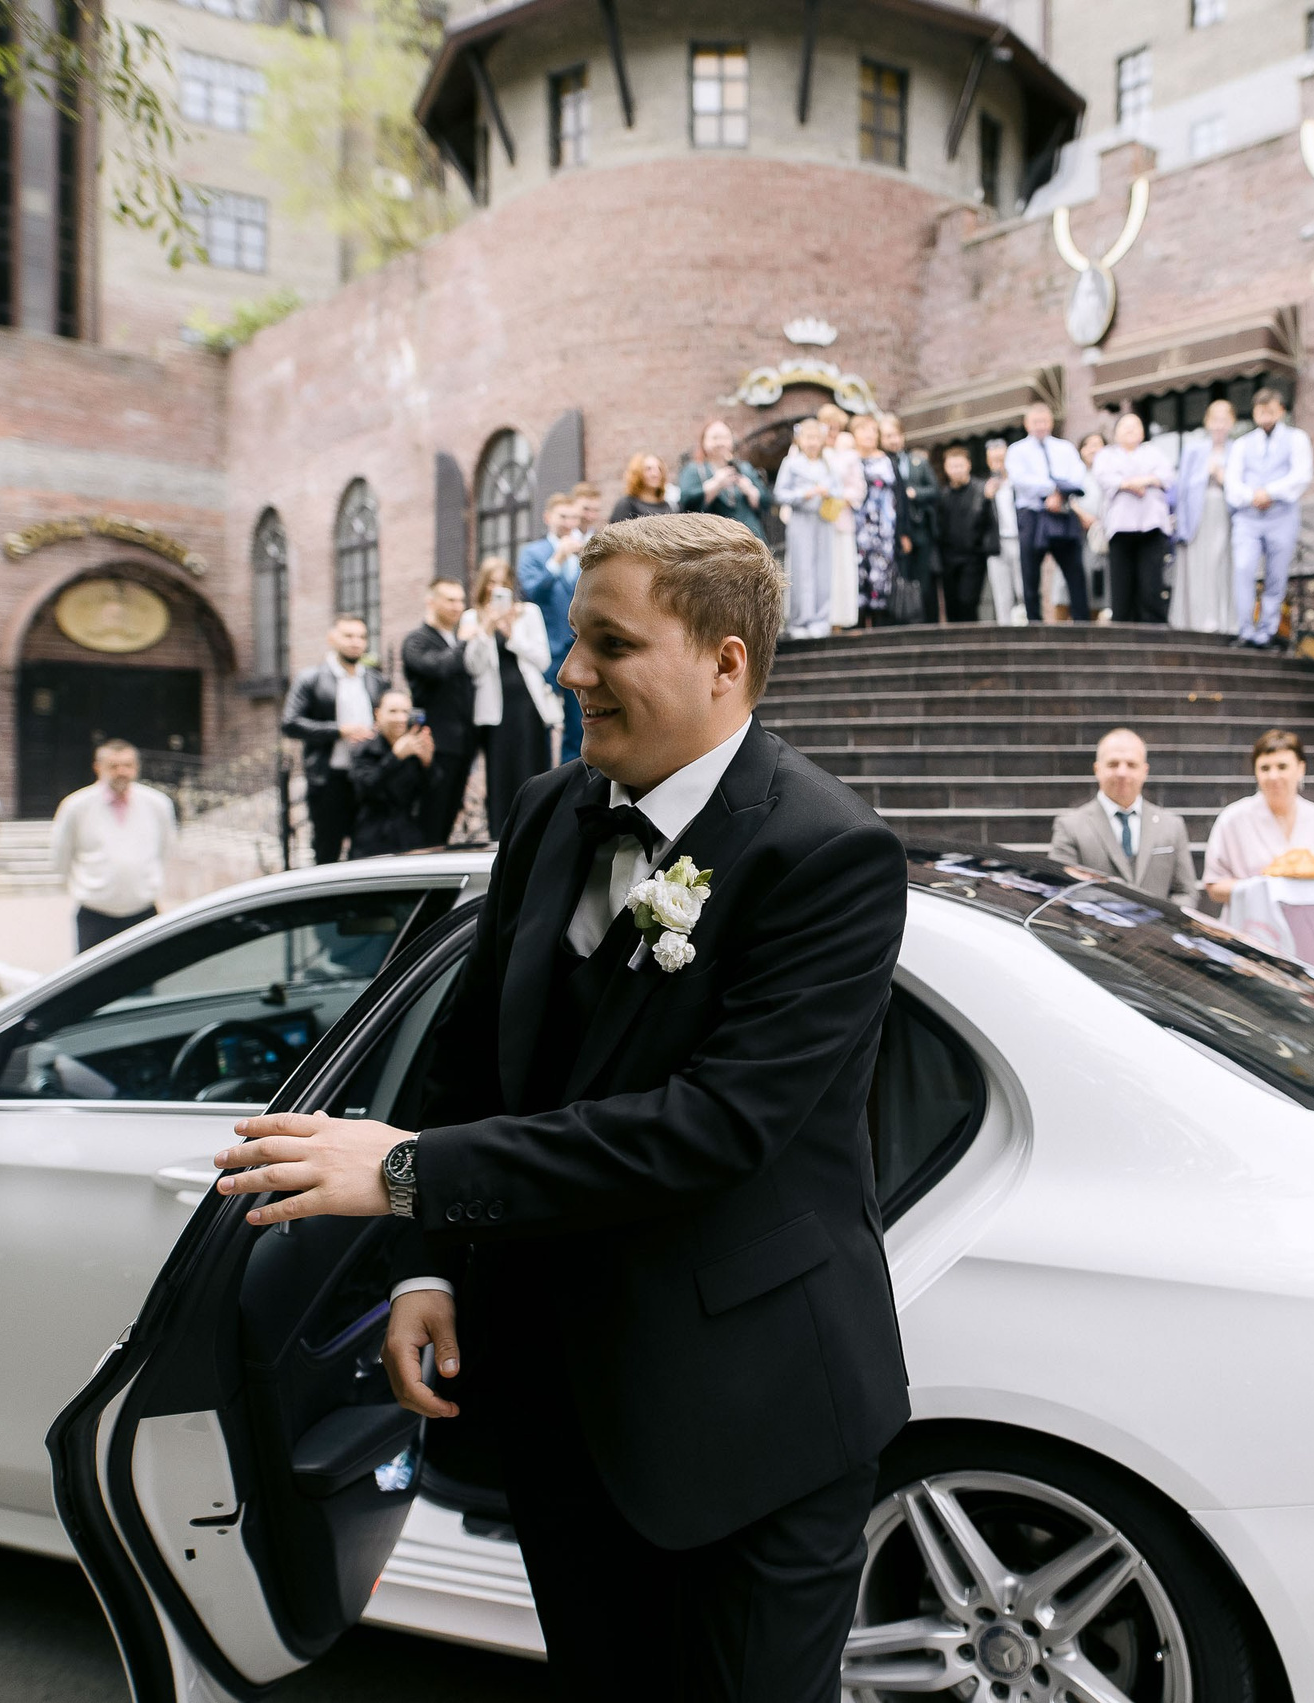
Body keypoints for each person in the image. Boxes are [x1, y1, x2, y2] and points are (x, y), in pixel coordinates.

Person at [208, 512, 912, 1701]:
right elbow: (470, 1061)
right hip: (558, 1406)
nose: (571, 671)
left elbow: (715, 1127)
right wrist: (425, 1267)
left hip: (752, 1418)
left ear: (724, 661)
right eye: (572, 638)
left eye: (610, 644)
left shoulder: (827, 853)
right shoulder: (547, 808)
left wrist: (405, 1172)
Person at [1202, 729, 1314, 986]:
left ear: (1300, 768)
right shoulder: (1233, 819)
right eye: (1265, 768)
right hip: (1253, 933)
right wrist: (1260, 888)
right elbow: (1214, 886)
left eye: (1282, 766)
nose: (1273, 776)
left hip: (1309, 937)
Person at [49, 739, 178, 953]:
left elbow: (166, 849)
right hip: (95, 914)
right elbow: (61, 855)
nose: (121, 772)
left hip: (143, 911)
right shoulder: (76, 806)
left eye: (127, 765)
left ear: (136, 767)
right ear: (98, 768)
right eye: (114, 766)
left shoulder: (157, 804)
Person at [465, 554, 560, 844]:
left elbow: (543, 660)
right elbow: (473, 667)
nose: (496, 588)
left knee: (531, 769)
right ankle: (500, 837)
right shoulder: (472, 617)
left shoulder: (528, 613)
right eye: (491, 582)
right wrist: (486, 629)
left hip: (527, 705)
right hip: (495, 709)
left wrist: (511, 634)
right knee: (500, 773)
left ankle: (535, 834)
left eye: (503, 582)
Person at [279, 614, 387, 866]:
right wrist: (339, 731)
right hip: (329, 779)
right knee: (327, 851)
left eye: (361, 637)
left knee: (368, 852)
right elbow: (290, 723)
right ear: (332, 638)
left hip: (368, 777)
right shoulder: (311, 678)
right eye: (348, 636)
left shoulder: (375, 680)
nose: (356, 642)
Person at [1047, 727, 1197, 907]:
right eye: (1113, 764)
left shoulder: (1172, 825)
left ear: (1145, 771)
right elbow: (1060, 891)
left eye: (1131, 765)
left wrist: (1161, 922)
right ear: (1097, 769)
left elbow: (1185, 893)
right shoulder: (1070, 826)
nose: (1122, 773)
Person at [1223, 388, 1313, 649]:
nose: (1265, 415)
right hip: (1248, 517)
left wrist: (1270, 492)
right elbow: (1232, 482)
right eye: (1261, 410)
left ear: (1281, 411)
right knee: (1243, 569)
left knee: (1276, 574)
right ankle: (1244, 629)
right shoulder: (1242, 444)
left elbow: (1301, 475)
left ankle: (1268, 631)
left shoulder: (1297, 439)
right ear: (1254, 412)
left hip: (1282, 516)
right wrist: (1252, 496)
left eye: (1271, 410)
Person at [399, 576, 481, 848]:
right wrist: (464, 642)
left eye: (460, 600)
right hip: (435, 747)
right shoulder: (416, 641)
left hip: (462, 745)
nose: (458, 606)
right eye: (450, 600)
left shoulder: (453, 640)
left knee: (447, 821)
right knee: (430, 822)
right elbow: (438, 668)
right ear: (431, 601)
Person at [1004, 400, 1091, 623]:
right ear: (1027, 424)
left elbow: (1077, 474)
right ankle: (1034, 623)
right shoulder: (1017, 450)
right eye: (1036, 422)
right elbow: (1019, 479)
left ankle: (1082, 622)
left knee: (1075, 570)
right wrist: (1051, 489)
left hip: (1062, 512)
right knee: (1030, 573)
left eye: (1044, 421)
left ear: (1051, 422)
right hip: (1032, 514)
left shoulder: (1065, 448)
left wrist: (1060, 494)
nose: (1040, 426)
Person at [519, 493, 588, 764]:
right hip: (544, 649)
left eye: (573, 517)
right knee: (540, 723)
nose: (569, 523)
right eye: (563, 516)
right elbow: (531, 591)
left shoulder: (584, 550)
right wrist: (557, 560)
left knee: (578, 724)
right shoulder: (533, 553)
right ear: (548, 518)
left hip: (577, 647)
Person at [1095, 413, 1174, 624]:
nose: (1130, 429)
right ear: (1116, 433)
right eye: (1125, 426)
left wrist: (1137, 481)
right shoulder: (1106, 455)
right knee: (1122, 583)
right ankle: (1123, 628)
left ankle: (1153, 630)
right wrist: (1133, 483)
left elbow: (1167, 476)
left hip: (1152, 525)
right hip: (1120, 526)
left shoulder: (1154, 452)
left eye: (1135, 425)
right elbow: (1104, 478)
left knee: (1151, 582)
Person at [1169, 397, 1239, 635]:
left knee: (1221, 564)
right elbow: (1181, 488)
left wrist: (1223, 477)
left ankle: (1223, 620)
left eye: (1224, 419)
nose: (1219, 425)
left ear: (1232, 422)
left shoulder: (1238, 449)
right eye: (1215, 419)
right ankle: (1196, 620)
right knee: (1197, 567)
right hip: (1196, 515)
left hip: (1224, 513)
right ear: (1207, 422)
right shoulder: (1193, 449)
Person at [344, 689, 434, 859]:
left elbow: (430, 795)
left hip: (409, 838)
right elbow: (366, 787)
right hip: (371, 839)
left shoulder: (415, 747)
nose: (400, 718)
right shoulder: (364, 748)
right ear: (378, 714)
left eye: (405, 712)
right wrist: (395, 756)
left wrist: (427, 763)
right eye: (393, 711)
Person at [774, 417, 842, 639]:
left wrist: (828, 492)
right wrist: (805, 494)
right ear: (800, 440)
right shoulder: (791, 463)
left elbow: (839, 491)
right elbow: (779, 493)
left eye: (816, 438)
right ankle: (800, 620)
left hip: (823, 520)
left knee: (824, 568)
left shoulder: (828, 463)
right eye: (808, 437)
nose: (812, 442)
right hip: (801, 520)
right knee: (801, 568)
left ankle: (821, 620)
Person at [930, 443, 998, 623]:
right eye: (952, 466)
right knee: (951, 606)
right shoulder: (943, 495)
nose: (957, 470)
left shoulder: (982, 490)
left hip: (973, 557)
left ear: (968, 465)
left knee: (968, 602)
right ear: (946, 468)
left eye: (960, 465)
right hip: (948, 559)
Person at [849, 412, 903, 624]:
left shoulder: (887, 461)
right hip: (856, 527)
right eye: (864, 430)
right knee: (857, 573)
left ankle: (881, 621)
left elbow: (899, 497)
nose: (869, 435)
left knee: (881, 574)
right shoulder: (848, 459)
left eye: (873, 430)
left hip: (884, 530)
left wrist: (903, 531)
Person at [886, 415, 940, 625]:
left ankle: (927, 622)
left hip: (920, 529)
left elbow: (934, 489)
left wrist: (914, 493)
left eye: (896, 435)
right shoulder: (883, 463)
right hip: (896, 531)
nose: (893, 440)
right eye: (888, 436)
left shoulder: (918, 462)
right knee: (901, 580)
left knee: (924, 580)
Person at [677, 420, 769, 540]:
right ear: (704, 442)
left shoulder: (744, 468)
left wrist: (750, 490)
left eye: (725, 437)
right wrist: (715, 484)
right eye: (715, 438)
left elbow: (766, 502)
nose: (720, 442)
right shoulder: (694, 470)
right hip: (715, 538)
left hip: (750, 535)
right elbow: (686, 503)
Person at [818, 403, 864, 629]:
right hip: (817, 520)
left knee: (841, 571)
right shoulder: (808, 450)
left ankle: (840, 620)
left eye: (836, 427)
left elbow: (858, 488)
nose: (831, 432)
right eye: (828, 426)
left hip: (841, 518)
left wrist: (839, 498)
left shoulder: (848, 454)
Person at [1060, 429, 1108, 622]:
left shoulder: (1109, 472)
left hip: (1102, 537)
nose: (1092, 449)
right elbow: (1067, 498)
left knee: (1100, 585)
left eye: (1097, 444)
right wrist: (1082, 515)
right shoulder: (1074, 472)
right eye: (1088, 445)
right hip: (1076, 534)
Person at [982, 438, 1025, 625]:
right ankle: (1005, 630)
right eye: (993, 460)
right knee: (1001, 595)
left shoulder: (1019, 483)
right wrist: (985, 499)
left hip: (1020, 540)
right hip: (997, 544)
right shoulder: (985, 487)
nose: (998, 464)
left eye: (1001, 459)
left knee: (1024, 590)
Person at [608, 453, 674, 523]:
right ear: (637, 474)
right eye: (648, 469)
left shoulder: (668, 506)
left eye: (659, 469)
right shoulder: (626, 504)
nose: (655, 474)